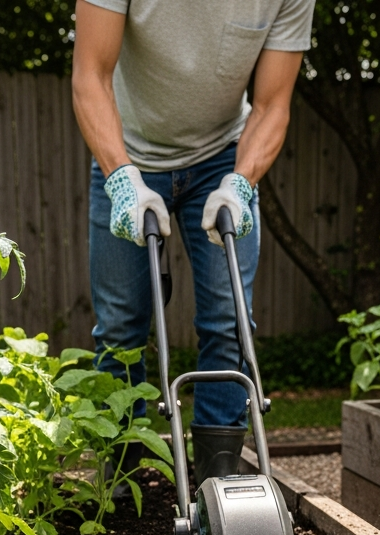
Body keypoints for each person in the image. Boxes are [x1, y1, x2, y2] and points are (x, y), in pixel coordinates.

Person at [71, 0, 315, 484]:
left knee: (229, 323)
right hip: (128, 154)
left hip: (222, 160)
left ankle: (219, 481)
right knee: (120, 328)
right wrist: (122, 180)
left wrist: (240, 184)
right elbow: (90, 76)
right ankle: (121, 478)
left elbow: (272, 105)